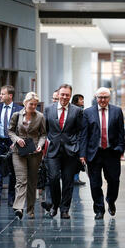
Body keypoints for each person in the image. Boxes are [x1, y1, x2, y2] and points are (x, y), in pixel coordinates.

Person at [80, 87, 125, 220]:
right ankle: (99, 209)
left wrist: (120, 149)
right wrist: (82, 154)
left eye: (105, 97)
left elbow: (121, 133)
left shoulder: (117, 111)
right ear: (96, 98)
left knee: (114, 180)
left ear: (109, 98)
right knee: (95, 183)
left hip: (112, 153)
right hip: (94, 153)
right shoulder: (88, 112)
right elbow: (84, 135)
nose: (102, 100)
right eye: (100, 97)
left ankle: (111, 200)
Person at [44, 84, 83, 219]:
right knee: (53, 179)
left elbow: (80, 130)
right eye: (62, 94)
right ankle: (55, 205)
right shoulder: (49, 109)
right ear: (58, 95)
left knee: (68, 181)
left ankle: (65, 209)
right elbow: (45, 129)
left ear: (70, 96)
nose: (65, 97)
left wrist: (76, 146)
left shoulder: (77, 111)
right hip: (53, 151)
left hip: (70, 151)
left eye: (67, 95)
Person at [8, 92, 46, 219]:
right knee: (21, 180)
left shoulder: (40, 117)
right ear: (25, 103)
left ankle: (30, 210)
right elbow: (10, 131)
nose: (33, 106)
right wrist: (16, 139)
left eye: (35, 104)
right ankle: (19, 208)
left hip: (34, 152)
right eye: (31, 104)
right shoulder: (16, 115)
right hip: (19, 152)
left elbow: (43, 134)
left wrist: (40, 145)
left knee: (32, 181)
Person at [0, 85, 23, 207]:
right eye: (0, 94)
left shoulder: (19, 109)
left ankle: (11, 198)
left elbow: (21, 129)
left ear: (10, 95)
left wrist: (16, 141)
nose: (0, 96)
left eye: (2, 94)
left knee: (12, 171)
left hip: (12, 144)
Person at [71, 94, 86, 185]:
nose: (82, 101)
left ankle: (76, 178)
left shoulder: (79, 109)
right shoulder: (78, 111)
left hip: (77, 138)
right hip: (77, 139)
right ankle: (75, 178)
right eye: (81, 100)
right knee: (77, 161)